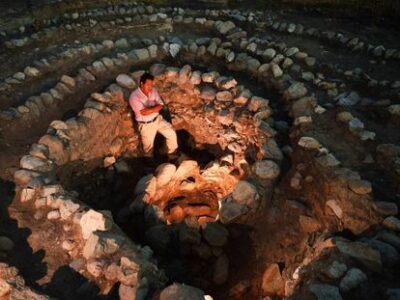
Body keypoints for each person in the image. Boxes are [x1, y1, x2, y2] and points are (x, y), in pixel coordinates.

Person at [129, 72, 178, 160]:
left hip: (158, 119)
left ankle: (172, 155)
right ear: (141, 83)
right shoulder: (134, 97)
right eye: (148, 85)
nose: (150, 87)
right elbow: (144, 113)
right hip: (146, 125)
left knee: (171, 133)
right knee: (148, 149)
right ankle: (149, 164)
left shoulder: (153, 90)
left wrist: (150, 109)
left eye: (151, 85)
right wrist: (155, 108)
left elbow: (161, 105)